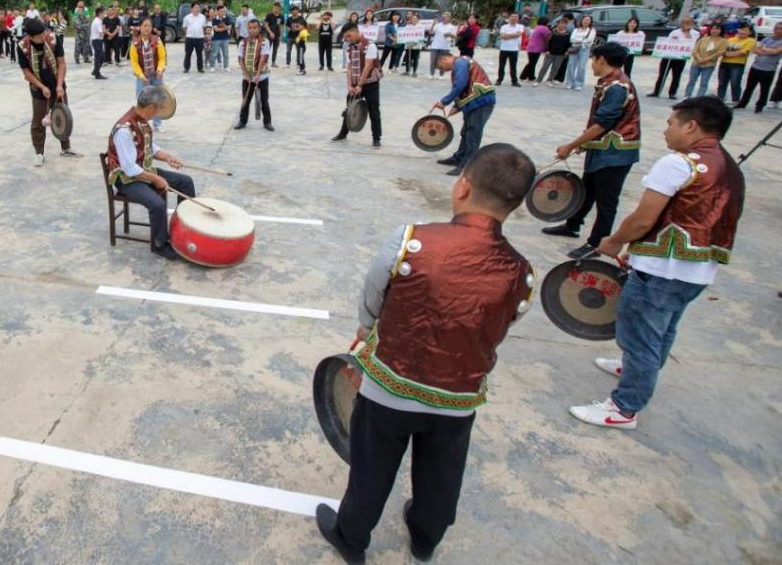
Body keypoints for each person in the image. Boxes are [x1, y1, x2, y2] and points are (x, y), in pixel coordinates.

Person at [314, 143, 537, 565]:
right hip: (458, 397)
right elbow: (503, 325)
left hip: (390, 385)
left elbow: (374, 291)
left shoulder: (411, 240)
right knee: (441, 473)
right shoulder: (521, 272)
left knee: (371, 467)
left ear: (462, 187)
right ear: (516, 204)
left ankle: (351, 537)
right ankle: (424, 538)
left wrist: (366, 327)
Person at [569, 97, 744, 430]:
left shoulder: (678, 163)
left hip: (663, 269)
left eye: (671, 123)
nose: (666, 130)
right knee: (663, 328)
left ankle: (624, 408)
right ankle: (637, 371)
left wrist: (615, 241)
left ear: (691, 126)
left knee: (640, 336)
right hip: (697, 269)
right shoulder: (727, 165)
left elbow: (643, 218)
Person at [543, 43, 640, 258]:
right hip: (602, 148)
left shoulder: (617, 87)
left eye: (593, 59)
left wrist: (571, 145)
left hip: (616, 152)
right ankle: (573, 225)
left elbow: (602, 124)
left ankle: (597, 244)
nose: (592, 64)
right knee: (587, 190)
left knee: (606, 201)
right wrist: (585, 144)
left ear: (602, 60)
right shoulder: (609, 82)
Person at [105, 85, 196, 261]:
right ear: (150, 107)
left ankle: (185, 228)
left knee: (186, 182)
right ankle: (160, 244)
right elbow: (129, 169)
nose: (159, 112)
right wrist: (155, 179)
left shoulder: (141, 121)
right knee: (157, 204)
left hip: (143, 170)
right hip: (126, 179)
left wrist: (168, 157)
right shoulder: (124, 130)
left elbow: (151, 148)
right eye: (158, 109)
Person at [19, 17, 82, 166]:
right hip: (38, 89)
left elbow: (62, 63)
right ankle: (39, 153)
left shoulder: (53, 38)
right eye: (39, 36)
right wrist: (42, 87)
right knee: (38, 122)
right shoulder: (22, 46)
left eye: (44, 33)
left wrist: (59, 85)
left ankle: (66, 148)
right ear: (30, 37)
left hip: (57, 86)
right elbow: (26, 72)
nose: (43, 37)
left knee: (63, 116)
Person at [432, 53, 495, 175]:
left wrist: (444, 101)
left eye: (441, 66)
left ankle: (467, 165)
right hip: (474, 102)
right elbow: (465, 87)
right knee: (466, 132)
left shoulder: (460, 63)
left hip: (481, 102)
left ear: (445, 58)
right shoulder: (461, 63)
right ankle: (459, 157)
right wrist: (457, 106)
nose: (443, 70)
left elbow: (459, 85)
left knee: (473, 133)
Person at [331, 22, 383, 148]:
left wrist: (360, 85)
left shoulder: (370, 45)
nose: (347, 39)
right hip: (355, 84)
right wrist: (350, 86)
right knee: (350, 109)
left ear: (355, 31)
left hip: (370, 84)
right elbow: (349, 68)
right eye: (345, 37)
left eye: (348, 36)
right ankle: (343, 134)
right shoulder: (350, 48)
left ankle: (376, 138)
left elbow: (367, 67)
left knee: (374, 112)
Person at [235, 19, 274, 131]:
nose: (252, 30)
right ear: (247, 29)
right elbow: (240, 59)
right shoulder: (242, 42)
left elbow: (263, 58)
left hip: (262, 77)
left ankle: (267, 122)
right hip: (247, 78)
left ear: (259, 28)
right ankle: (242, 121)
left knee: (264, 100)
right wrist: (246, 74)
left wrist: (257, 75)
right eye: (250, 28)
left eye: (255, 28)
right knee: (246, 99)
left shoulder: (265, 41)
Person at [129, 18, 167, 131]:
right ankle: (142, 124)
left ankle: (157, 124)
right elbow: (134, 63)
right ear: (140, 27)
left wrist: (160, 70)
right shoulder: (135, 43)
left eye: (149, 26)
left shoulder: (157, 40)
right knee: (142, 101)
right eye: (144, 26)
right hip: (142, 77)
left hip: (156, 76)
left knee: (158, 100)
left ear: (152, 28)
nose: (147, 28)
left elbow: (162, 58)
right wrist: (141, 76)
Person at [735, 21, 782, 112]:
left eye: (780, 29)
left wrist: (764, 49)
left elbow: (775, 52)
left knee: (764, 89)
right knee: (749, 87)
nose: (778, 30)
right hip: (756, 67)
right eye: (776, 28)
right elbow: (754, 49)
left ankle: (760, 106)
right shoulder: (767, 39)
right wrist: (768, 51)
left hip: (769, 69)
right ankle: (743, 103)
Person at [650, 17, 699, 99]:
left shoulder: (695, 33)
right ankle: (656, 91)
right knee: (662, 74)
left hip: (680, 57)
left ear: (692, 24)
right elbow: (667, 42)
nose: (685, 24)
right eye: (684, 22)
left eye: (688, 23)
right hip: (668, 56)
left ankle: (672, 93)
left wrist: (687, 33)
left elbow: (691, 44)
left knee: (676, 76)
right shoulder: (675, 32)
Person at [683, 24, 726, 98]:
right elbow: (695, 50)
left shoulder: (723, 41)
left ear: (721, 30)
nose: (714, 30)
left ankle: (699, 98)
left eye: (717, 29)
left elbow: (720, 52)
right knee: (691, 81)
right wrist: (699, 58)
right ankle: (687, 96)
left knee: (704, 83)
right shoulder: (703, 39)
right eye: (713, 29)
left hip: (709, 65)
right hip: (696, 63)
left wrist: (705, 59)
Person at [716, 25, 754, 105]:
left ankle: (735, 100)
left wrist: (730, 54)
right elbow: (722, 49)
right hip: (724, 63)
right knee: (722, 82)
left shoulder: (750, 41)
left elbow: (744, 52)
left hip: (738, 64)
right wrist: (725, 53)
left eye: (745, 30)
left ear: (750, 32)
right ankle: (720, 98)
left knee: (735, 83)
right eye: (741, 30)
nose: (742, 32)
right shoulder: (730, 39)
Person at [564, 15, 598, 91]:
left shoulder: (592, 30)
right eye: (585, 20)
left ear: (590, 22)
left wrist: (579, 40)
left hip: (585, 49)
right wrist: (581, 40)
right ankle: (569, 83)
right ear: (582, 21)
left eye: (588, 20)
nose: (586, 21)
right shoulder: (576, 30)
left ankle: (578, 84)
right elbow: (572, 39)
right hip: (574, 49)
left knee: (581, 67)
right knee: (571, 65)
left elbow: (589, 40)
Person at [535, 19, 572, 87]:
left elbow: (569, 44)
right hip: (550, 53)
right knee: (545, 67)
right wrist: (547, 50)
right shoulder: (552, 32)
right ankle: (538, 80)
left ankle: (550, 80)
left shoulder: (568, 34)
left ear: (566, 25)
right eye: (560, 23)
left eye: (564, 24)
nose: (562, 25)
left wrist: (567, 51)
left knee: (555, 68)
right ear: (557, 24)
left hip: (561, 54)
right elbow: (547, 42)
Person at [495, 13, 524, 86]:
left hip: (514, 49)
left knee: (513, 66)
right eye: (512, 16)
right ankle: (499, 80)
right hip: (504, 49)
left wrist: (508, 35)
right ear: (509, 17)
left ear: (518, 19)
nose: (514, 18)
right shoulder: (504, 26)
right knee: (501, 65)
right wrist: (514, 35)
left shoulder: (520, 26)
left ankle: (514, 81)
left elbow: (518, 34)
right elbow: (503, 36)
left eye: (516, 17)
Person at [426, 13, 457, 79]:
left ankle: (441, 75)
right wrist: (433, 24)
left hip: (445, 47)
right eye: (443, 17)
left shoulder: (451, 27)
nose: (444, 18)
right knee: (433, 60)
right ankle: (432, 74)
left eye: (446, 17)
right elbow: (430, 32)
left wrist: (449, 34)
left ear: (449, 18)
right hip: (435, 46)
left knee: (443, 62)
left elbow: (455, 36)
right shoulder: (438, 25)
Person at [520, 17, 550, 83]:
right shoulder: (544, 28)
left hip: (531, 47)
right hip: (536, 48)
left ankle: (526, 76)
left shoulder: (537, 27)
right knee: (532, 63)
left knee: (531, 63)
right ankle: (528, 77)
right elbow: (548, 36)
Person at [182, 3, 207, 73]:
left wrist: (202, 34)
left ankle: (200, 68)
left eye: (198, 7)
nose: (197, 9)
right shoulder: (187, 17)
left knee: (199, 54)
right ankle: (186, 68)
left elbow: (204, 27)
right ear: (192, 9)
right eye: (195, 7)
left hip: (200, 38)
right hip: (189, 38)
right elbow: (184, 27)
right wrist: (188, 33)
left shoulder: (203, 17)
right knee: (188, 54)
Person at [401, 11, 424, 76]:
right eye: (412, 18)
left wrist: (413, 44)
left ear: (418, 19)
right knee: (408, 59)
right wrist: (408, 43)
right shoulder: (408, 27)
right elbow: (404, 35)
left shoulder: (421, 27)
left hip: (417, 46)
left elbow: (421, 38)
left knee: (415, 59)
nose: (413, 20)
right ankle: (407, 71)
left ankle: (414, 72)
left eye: (415, 18)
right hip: (408, 45)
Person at [90, 7, 108, 80]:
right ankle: (97, 73)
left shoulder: (99, 21)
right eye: (104, 13)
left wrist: (104, 31)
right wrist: (106, 31)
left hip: (98, 41)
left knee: (101, 57)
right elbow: (101, 33)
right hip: (96, 41)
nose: (105, 15)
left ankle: (95, 71)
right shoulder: (97, 22)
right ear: (100, 13)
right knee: (99, 57)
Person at [264, 3, 283, 69]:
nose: (275, 9)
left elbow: (280, 26)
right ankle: (265, 63)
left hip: (277, 35)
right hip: (269, 35)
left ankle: (273, 62)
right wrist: (270, 33)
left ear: (279, 8)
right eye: (274, 7)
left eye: (277, 8)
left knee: (275, 49)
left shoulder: (281, 16)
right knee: (267, 49)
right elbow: (266, 25)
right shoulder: (269, 15)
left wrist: (280, 36)